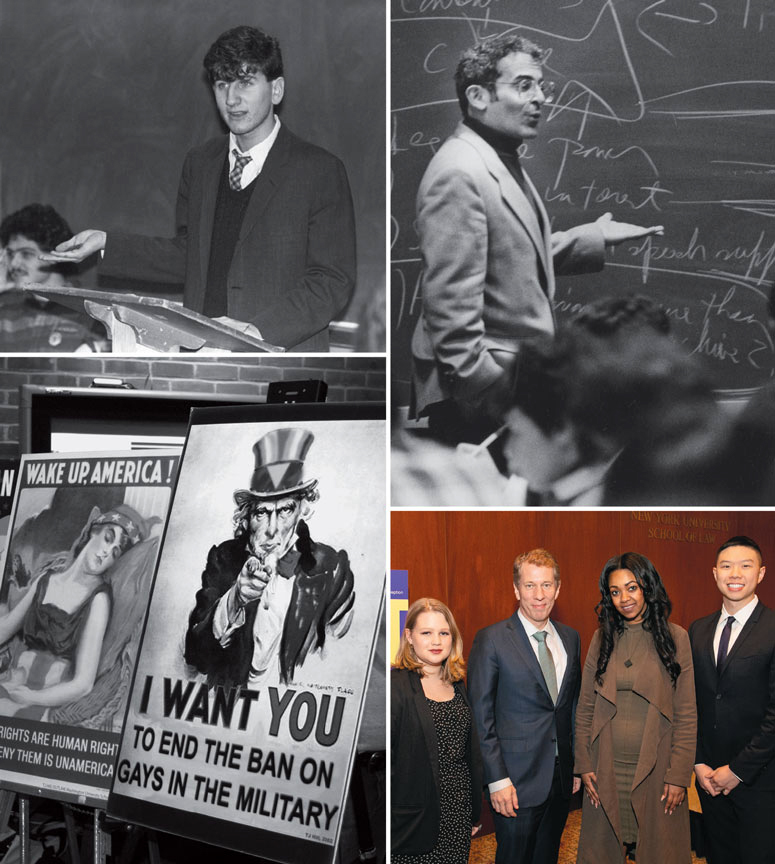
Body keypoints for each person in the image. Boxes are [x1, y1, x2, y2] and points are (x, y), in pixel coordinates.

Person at [409, 33, 663, 445]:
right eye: (524, 85)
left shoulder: (495, 156)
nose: (540, 97)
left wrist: (593, 236)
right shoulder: (461, 172)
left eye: (541, 85)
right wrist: (494, 391)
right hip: (483, 397)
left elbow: (508, 255)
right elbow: (450, 314)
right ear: (477, 96)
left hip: (507, 382)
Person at [44, 25, 355, 352]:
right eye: (222, 85)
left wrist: (255, 331)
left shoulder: (319, 170)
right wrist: (107, 242)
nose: (231, 99)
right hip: (202, 359)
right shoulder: (201, 163)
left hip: (281, 363)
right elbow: (189, 256)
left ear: (276, 90)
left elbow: (332, 281)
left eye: (245, 82)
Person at [184, 427, 355, 688]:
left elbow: (341, 666)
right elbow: (196, 656)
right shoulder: (224, 558)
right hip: (228, 709)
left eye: (285, 510)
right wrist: (235, 599)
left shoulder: (331, 567)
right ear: (246, 517)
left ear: (303, 510)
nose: (272, 529)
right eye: (262, 513)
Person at [574, 553, 696, 864]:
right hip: (606, 768)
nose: (624, 598)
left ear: (648, 587)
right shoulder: (602, 638)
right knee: (602, 852)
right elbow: (585, 705)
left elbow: (686, 714)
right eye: (615, 592)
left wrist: (679, 775)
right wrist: (584, 764)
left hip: (656, 771)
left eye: (632, 588)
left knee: (659, 851)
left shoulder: (676, 638)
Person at [467, 548, 581, 864]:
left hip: (560, 781)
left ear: (558, 588)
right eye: (529, 586)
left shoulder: (571, 638)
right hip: (514, 784)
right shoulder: (491, 639)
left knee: (547, 857)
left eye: (546, 585)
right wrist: (497, 780)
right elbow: (481, 716)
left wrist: (576, 765)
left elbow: (570, 707)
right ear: (516, 589)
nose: (539, 595)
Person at [0, 505, 149, 719]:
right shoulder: (46, 580)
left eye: (115, 552)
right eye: (108, 538)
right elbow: (5, 628)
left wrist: (33, 698)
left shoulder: (98, 599)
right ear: (93, 532)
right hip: (10, 683)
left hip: (41, 700)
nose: (107, 552)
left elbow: (83, 684)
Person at [688, 536, 775, 864]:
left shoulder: (772, 628)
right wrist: (698, 763)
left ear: (761, 573)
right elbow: (689, 704)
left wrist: (737, 770)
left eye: (745, 565)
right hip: (709, 780)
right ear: (714, 573)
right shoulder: (697, 630)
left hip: (760, 781)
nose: (735, 573)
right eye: (726, 566)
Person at [391, 597, 483, 863]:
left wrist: (473, 812)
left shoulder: (457, 684)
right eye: (426, 633)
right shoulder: (396, 687)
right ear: (409, 636)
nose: (436, 641)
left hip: (458, 814)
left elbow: (469, 754)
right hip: (413, 823)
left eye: (444, 633)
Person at [0, 204, 105, 351]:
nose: (14, 263)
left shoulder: (91, 309)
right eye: (11, 254)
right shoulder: (5, 310)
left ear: (54, 256)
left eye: (26, 254)